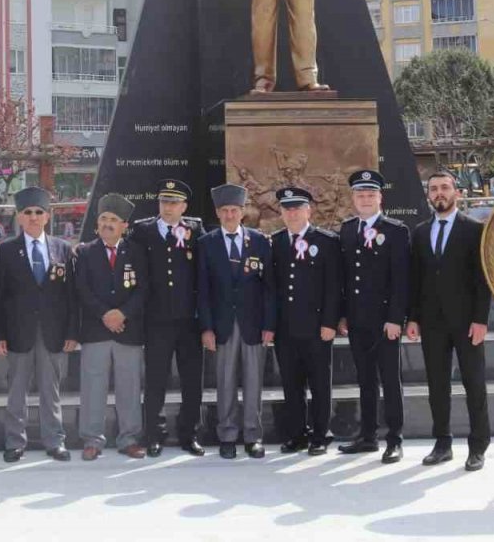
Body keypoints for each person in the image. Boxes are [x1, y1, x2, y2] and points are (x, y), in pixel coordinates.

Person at [408, 169, 492, 472]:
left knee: (474, 385)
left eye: (445, 188)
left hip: (467, 322)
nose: (439, 193)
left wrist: (481, 320)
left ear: (456, 192)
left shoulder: (474, 230)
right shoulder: (418, 232)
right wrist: (413, 318)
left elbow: (483, 281)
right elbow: (414, 280)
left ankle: (478, 446)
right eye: (434, 189)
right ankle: (442, 443)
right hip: (432, 323)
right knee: (437, 386)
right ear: (428, 195)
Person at [0, 186, 77, 462]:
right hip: (19, 333)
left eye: (38, 212)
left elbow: (70, 295)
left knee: (50, 390)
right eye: (27, 212)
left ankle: (55, 441)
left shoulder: (63, 249)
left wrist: (71, 332)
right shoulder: (6, 251)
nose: (33, 217)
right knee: (16, 390)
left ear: (47, 216)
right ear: (19, 217)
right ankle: (15, 442)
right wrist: (0, 334)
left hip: (52, 333)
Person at [336, 170, 410, 463]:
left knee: (390, 380)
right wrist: (342, 316)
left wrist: (396, 319)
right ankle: (368, 436)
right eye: (360, 195)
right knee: (365, 380)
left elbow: (401, 280)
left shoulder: (395, 230)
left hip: (385, 321)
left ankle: (395, 438)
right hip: (357, 320)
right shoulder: (347, 229)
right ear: (353, 198)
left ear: (380, 197)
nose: (365, 199)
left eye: (371, 194)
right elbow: (344, 278)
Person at [197, 183, 274, 459]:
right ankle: (227, 435)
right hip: (222, 325)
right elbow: (202, 290)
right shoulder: (206, 244)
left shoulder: (260, 241)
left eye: (234, 210)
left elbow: (269, 288)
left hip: (253, 324)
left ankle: (253, 436)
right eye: (224, 211)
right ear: (218, 214)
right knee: (225, 382)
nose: (230, 215)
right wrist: (206, 327)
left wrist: (269, 325)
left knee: (254, 383)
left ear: (243, 212)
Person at [129, 179, 205, 457]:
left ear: (184, 206)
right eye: (164, 202)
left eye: (174, 203)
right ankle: (154, 434)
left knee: (192, 380)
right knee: (156, 380)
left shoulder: (195, 230)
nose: (168, 207)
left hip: (188, 320)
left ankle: (189, 433)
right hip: (157, 320)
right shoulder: (143, 230)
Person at [74, 193, 147, 461]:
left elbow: (143, 289)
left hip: (128, 331)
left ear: (124, 225)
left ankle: (129, 439)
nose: (107, 224)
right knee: (93, 386)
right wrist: (105, 314)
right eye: (103, 218)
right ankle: (92, 440)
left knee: (129, 386)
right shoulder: (84, 252)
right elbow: (82, 289)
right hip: (96, 330)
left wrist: (122, 314)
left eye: (113, 220)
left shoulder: (136, 252)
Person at [268, 186, 341, 455]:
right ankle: (297, 434)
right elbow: (271, 288)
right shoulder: (275, 242)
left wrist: (330, 323)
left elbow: (334, 287)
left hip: (317, 326)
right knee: (292, 384)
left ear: (309, 210)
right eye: (287, 208)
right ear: (281, 213)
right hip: (286, 329)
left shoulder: (325, 241)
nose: (292, 213)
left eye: (298, 207)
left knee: (320, 383)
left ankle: (321, 434)